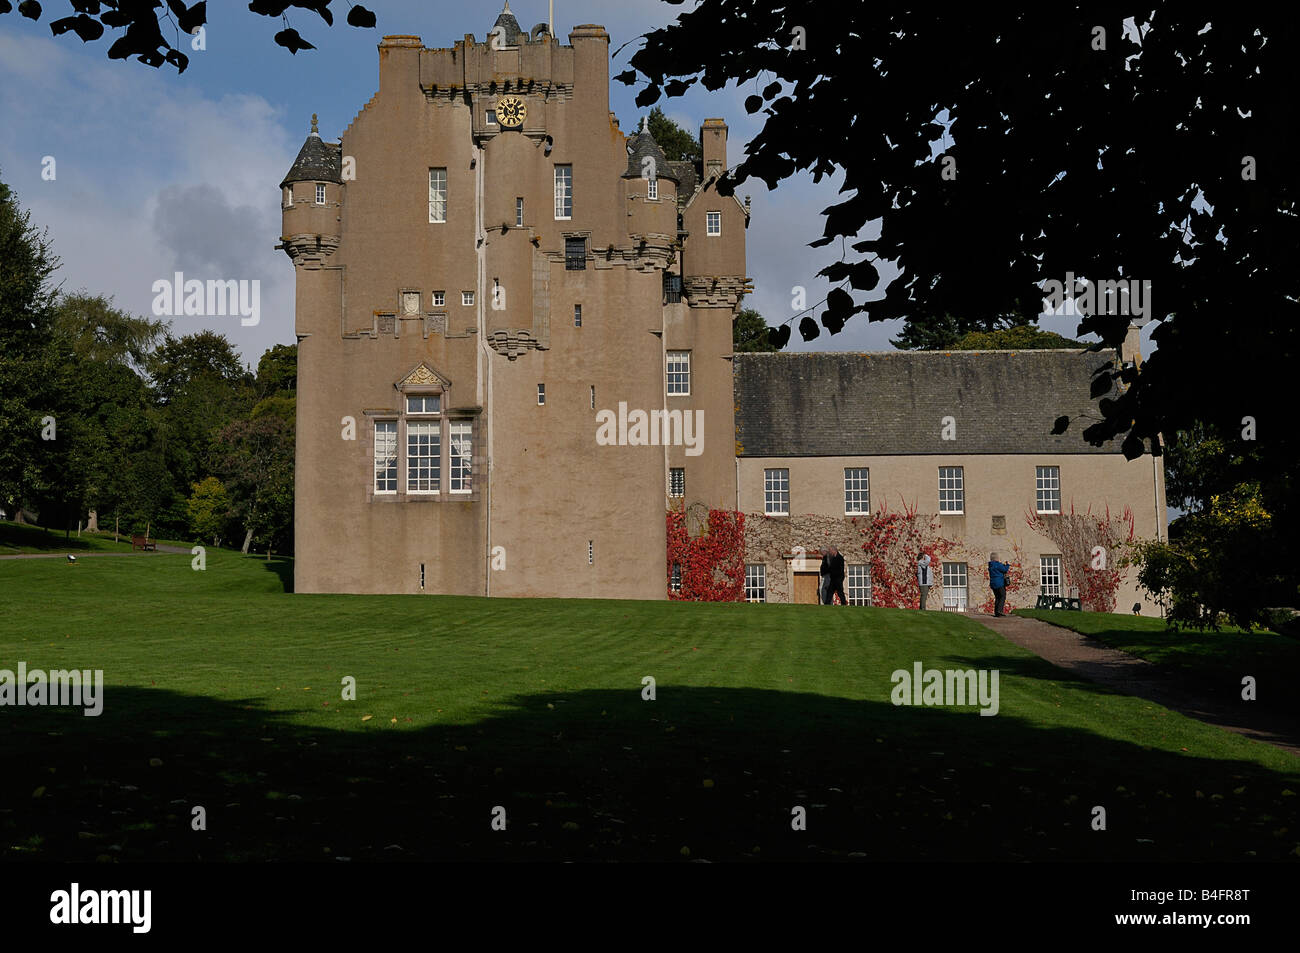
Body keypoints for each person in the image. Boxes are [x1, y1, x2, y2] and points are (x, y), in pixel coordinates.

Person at [988, 552, 1011, 617]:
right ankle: (1000, 611)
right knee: (1003, 596)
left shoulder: (991, 565)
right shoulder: (998, 564)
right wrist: (1007, 565)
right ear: (996, 558)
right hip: (999, 583)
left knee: (997, 597)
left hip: (993, 583)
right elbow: (1004, 570)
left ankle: (996, 612)